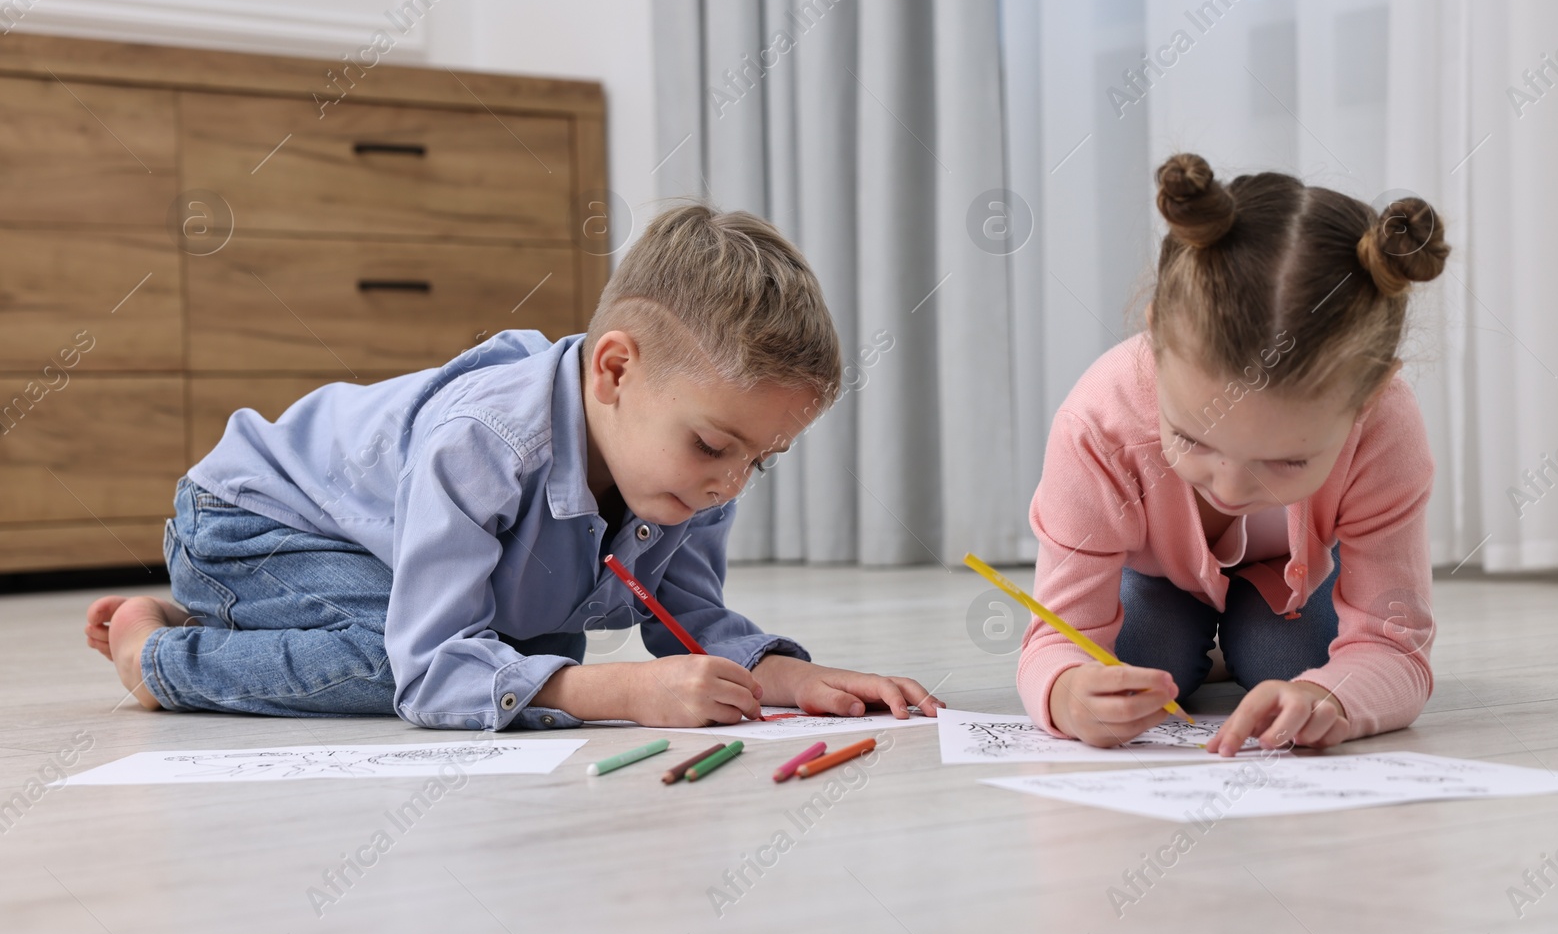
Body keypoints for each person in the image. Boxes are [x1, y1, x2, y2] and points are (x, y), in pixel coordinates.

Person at [86, 203, 944, 731]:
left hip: (354, 545)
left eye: (764, 459)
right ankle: (159, 656)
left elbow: (686, 620)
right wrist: (631, 693)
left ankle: (233, 618)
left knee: (536, 658)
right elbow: (429, 671)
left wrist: (792, 677)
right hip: (245, 522)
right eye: (719, 448)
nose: (731, 482)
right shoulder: (487, 440)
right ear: (614, 371)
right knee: (430, 663)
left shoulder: (698, 465)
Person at [1020, 153, 1448, 756]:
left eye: (1287, 461)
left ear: (1369, 396)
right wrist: (1065, 691)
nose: (1231, 486)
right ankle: (1205, 640)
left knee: (1291, 661)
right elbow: (1053, 639)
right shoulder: (1099, 425)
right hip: (1157, 580)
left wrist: (1333, 698)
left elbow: (1393, 646)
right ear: (1156, 345)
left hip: (1292, 588)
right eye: (1194, 439)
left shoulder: (1385, 427)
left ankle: (1241, 642)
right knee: (1138, 657)